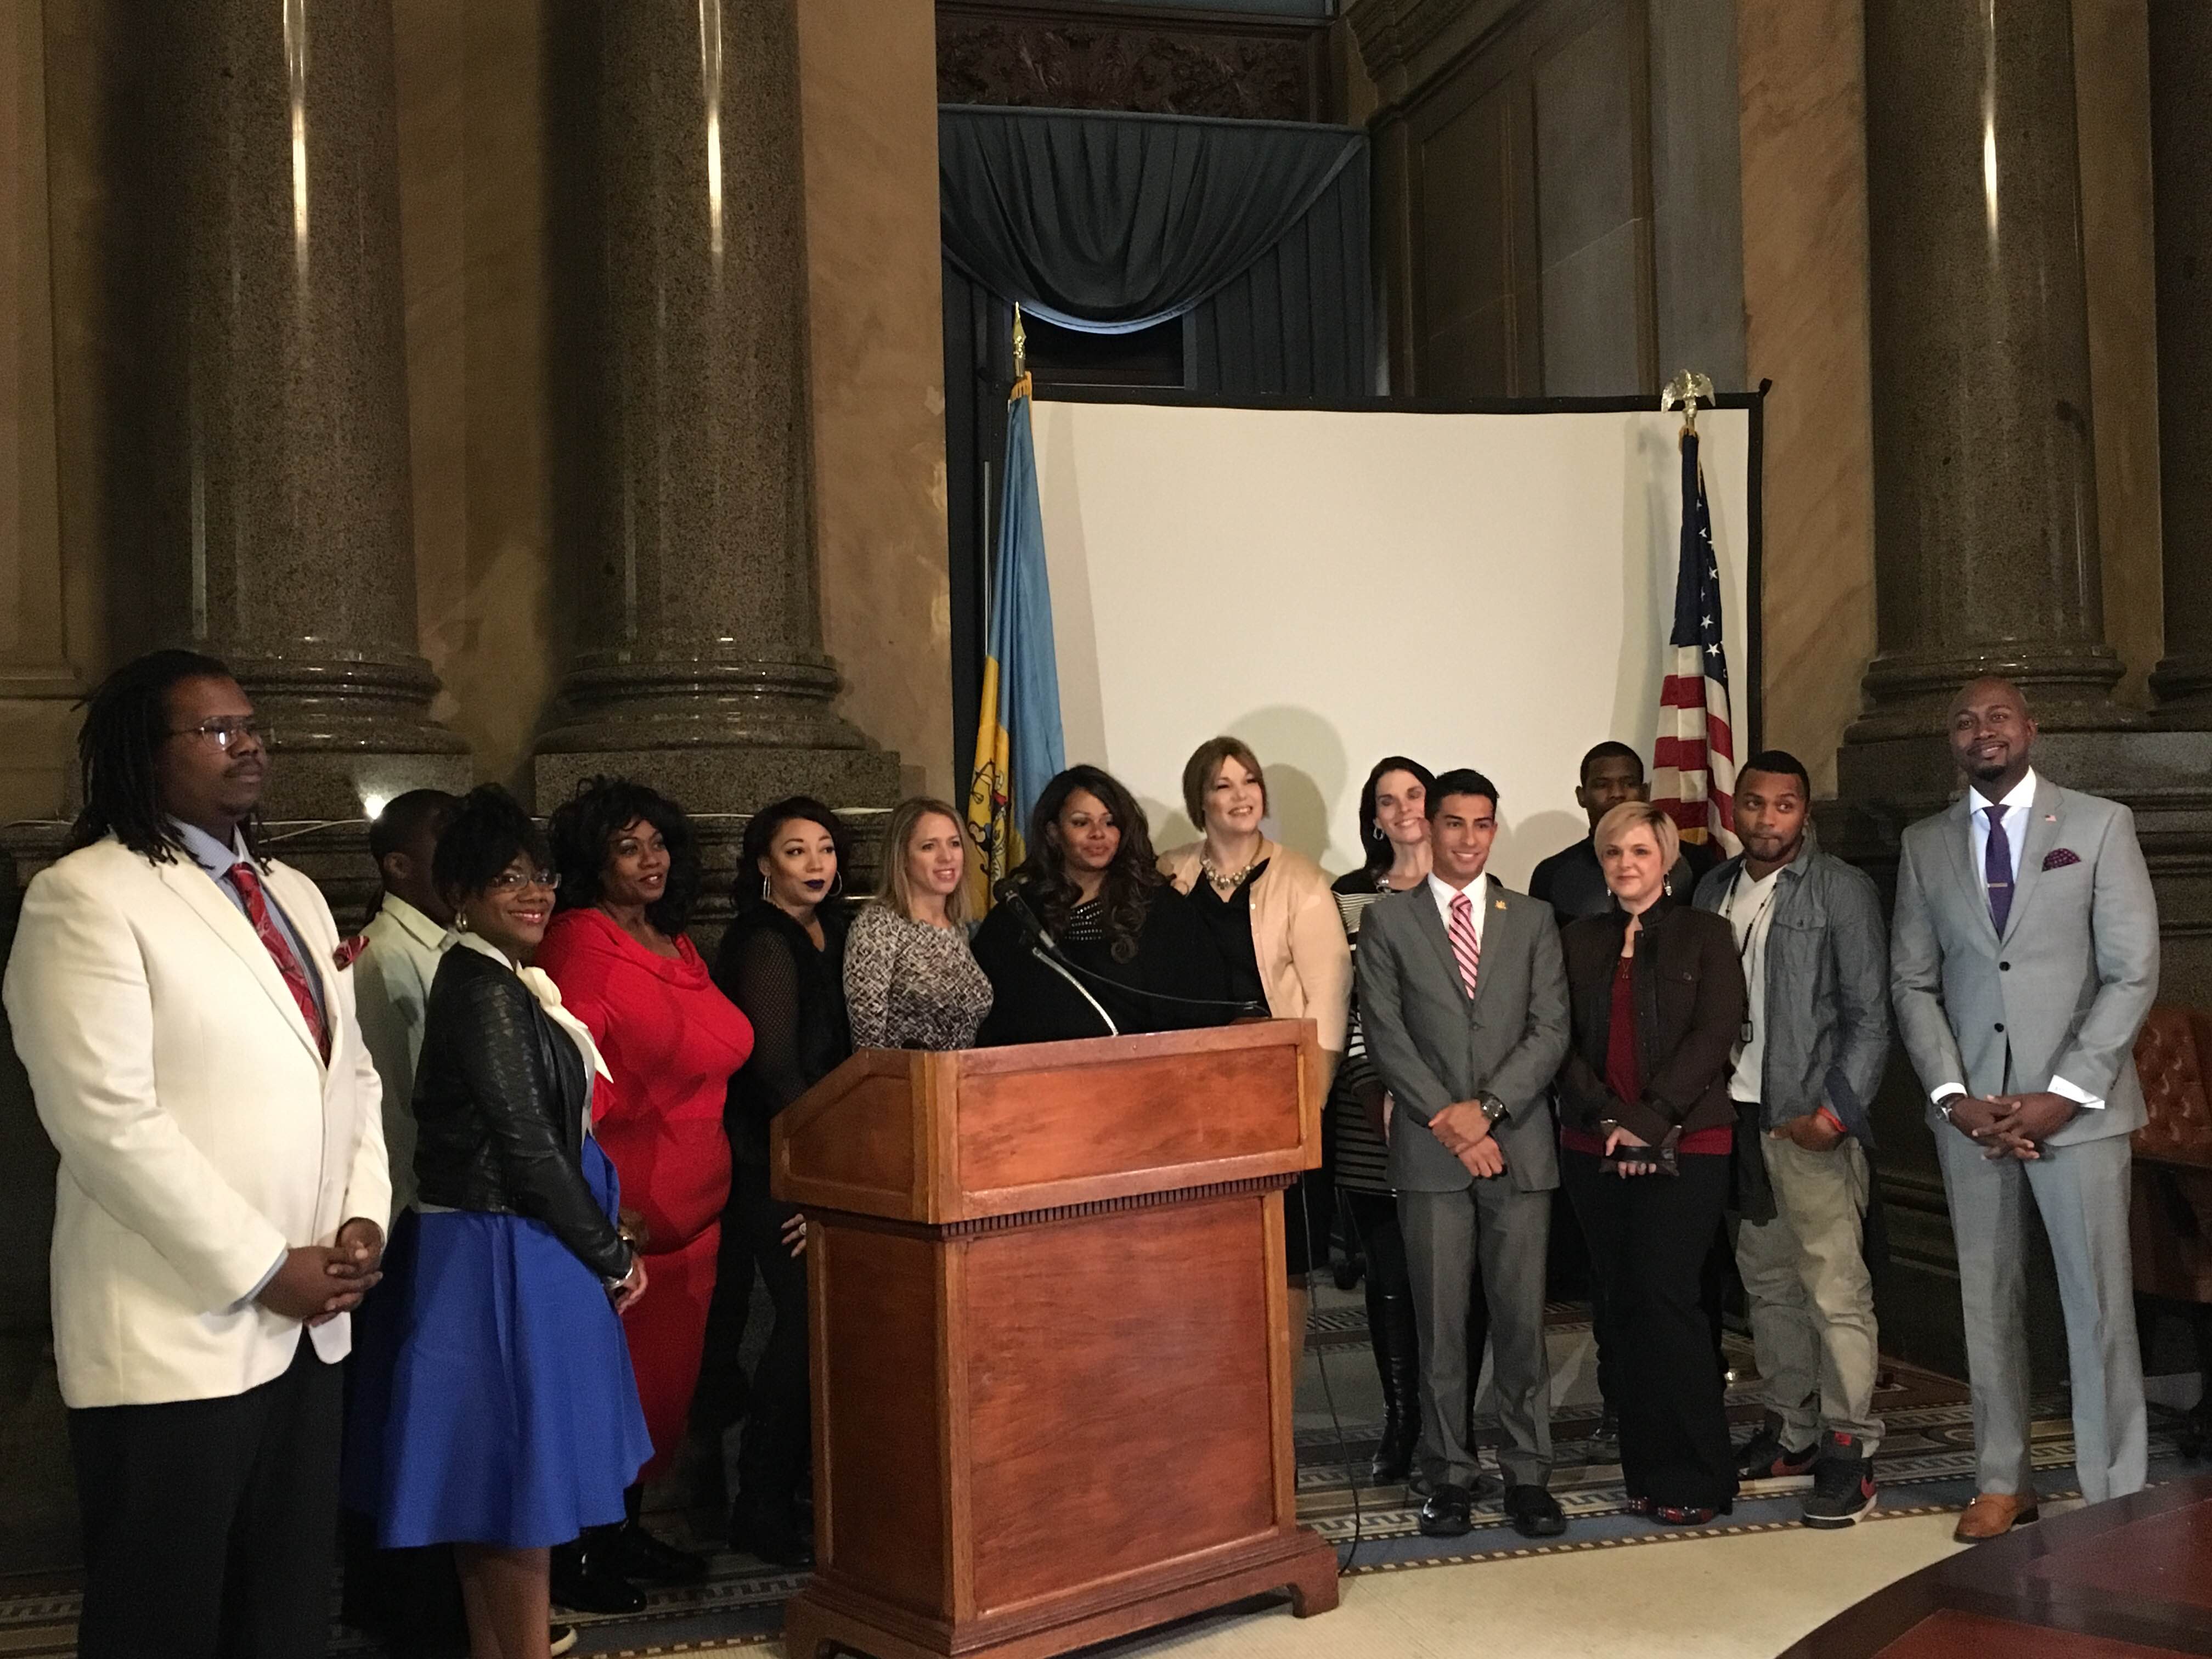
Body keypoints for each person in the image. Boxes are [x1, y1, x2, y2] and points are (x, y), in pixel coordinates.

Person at [4, 649, 390, 1659]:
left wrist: (359, 1220)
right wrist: (267, 1266)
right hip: (177, 1324)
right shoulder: (87, 897)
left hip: (312, 1321)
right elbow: (105, 1118)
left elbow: (351, 1078)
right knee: (165, 1614)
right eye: (215, 729)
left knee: (286, 1608)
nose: (248, 742)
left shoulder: (296, 894)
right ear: (143, 753)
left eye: (252, 724)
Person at [344, 784, 652, 1659]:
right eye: (508, 877)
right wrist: (610, 1252)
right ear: (466, 892)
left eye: (543, 876)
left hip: (523, 1244)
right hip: (501, 1249)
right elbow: (523, 1142)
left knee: (509, 1493)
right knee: (515, 1487)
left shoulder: (502, 978)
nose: (534, 892)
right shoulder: (479, 984)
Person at [1891, 678, 2158, 1540]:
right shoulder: (1925, 843)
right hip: (1974, 1121)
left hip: (2077, 1114)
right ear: (1953, 741)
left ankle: (2113, 1486)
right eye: (1965, 721)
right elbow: (1913, 981)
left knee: (2098, 1305)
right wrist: (1954, 1096)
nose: (1982, 732)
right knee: (1988, 1301)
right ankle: (2004, 1481)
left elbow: (2132, 972)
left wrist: (2063, 1093)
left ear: (2030, 729)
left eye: (1997, 717)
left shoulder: (2098, 825)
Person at [537, 778, 754, 1608]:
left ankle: (623, 1534)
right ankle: (579, 1554)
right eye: (628, 846)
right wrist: (589, 1201)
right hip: (625, 1223)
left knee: (656, 1403)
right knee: (604, 1400)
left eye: (659, 842)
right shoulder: (582, 940)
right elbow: (570, 1068)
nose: (650, 859)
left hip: (695, 1224)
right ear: (595, 860)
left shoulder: (678, 943)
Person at [1355, 769, 1571, 1541]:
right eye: (1454, 824)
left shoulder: (1534, 918)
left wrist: (1487, 1113)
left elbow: (1550, 1031)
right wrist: (1450, 1122)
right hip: (1429, 1153)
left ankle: (1528, 1475)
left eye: (1483, 825)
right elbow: (1386, 1034)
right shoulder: (1389, 921)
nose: (1470, 839)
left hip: (1517, 1150)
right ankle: (1447, 1474)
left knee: (1521, 1324)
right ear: (1426, 825)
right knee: (1441, 1326)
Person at [1693, 751, 1891, 1528]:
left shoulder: (1840, 889)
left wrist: (1835, 1115)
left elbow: (1871, 1017)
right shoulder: (1713, 890)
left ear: (1804, 813)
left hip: (1808, 1122)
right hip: (1734, 1119)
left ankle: (1851, 1449)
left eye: (1784, 806)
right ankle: (1793, 1430)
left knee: (1834, 1290)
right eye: (1754, 804)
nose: (1767, 820)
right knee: (1768, 1286)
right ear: (1733, 809)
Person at [1557, 800, 1746, 1526]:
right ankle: (1645, 1470)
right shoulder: (1578, 940)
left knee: (1670, 1305)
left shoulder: (1707, 934)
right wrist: (1607, 1117)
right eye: (1613, 853)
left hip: (1688, 1142)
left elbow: (1715, 1031)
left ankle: (1695, 1475)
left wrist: (1649, 1121)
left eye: (1640, 851)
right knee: (1622, 1310)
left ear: (1666, 858)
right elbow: (1559, 1041)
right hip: (1592, 1146)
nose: (1626, 864)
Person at [1330, 758, 1491, 1487]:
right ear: (1372, 816)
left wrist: (1470, 1109)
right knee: (1393, 1281)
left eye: (1415, 796)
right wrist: (1377, 1090)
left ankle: (1453, 1425)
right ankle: (1403, 1423)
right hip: (1378, 1121)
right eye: (1385, 800)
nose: (1402, 810)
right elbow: (1350, 1011)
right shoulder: (1343, 903)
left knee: (1468, 1281)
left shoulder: (1480, 899)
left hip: (1467, 1122)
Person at [1160, 737, 1351, 1337]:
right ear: (1201, 800)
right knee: (1201, 1255)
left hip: (1278, 1095)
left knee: (1284, 1262)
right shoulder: (1166, 875)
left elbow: (1328, 1005)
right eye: (1223, 784)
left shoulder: (1304, 881)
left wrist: (1307, 1106)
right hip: (1191, 1096)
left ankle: (1280, 1414)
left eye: (1250, 782)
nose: (1241, 796)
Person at [709, 797, 855, 1568]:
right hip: (779, 1161)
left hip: (831, 1153)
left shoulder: (833, 928)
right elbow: (775, 1071)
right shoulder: (762, 941)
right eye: (796, 851)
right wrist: (826, 1172)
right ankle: (758, 1507)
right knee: (800, 1328)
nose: (816, 865)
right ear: (763, 864)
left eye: (826, 849)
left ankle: (800, 1494)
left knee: (825, 1329)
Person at [973, 764, 1231, 1042]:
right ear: (1053, 833)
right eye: (1081, 822)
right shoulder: (1018, 919)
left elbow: (1205, 1013)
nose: (1098, 834)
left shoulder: (1161, 911)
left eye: (1110, 822)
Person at [354, 789, 461, 1215]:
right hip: (425, 1207)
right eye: (449, 849)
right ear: (399, 866)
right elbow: (393, 1108)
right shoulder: (382, 954)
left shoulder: (456, 942)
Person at [844, 796, 993, 1049]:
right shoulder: (879, 926)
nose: (947, 857)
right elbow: (868, 1042)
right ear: (902, 857)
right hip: (905, 1084)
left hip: (961, 1082)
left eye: (955, 844)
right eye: (928, 847)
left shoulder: (959, 928)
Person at [1529, 741, 1719, 925]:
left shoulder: (1695, 862)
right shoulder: (1551, 874)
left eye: (1629, 784)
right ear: (1582, 796)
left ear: (1645, 792)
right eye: (1602, 785)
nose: (1617, 794)